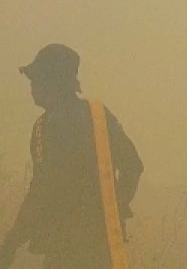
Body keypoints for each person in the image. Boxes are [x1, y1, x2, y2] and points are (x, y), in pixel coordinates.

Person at [0, 44, 143, 269]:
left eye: (35, 79)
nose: (31, 87)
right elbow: (134, 166)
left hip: (64, 248)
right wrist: (115, 208)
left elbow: (41, 189)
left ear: (51, 83)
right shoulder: (99, 114)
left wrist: (12, 241)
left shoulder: (44, 127)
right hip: (103, 247)